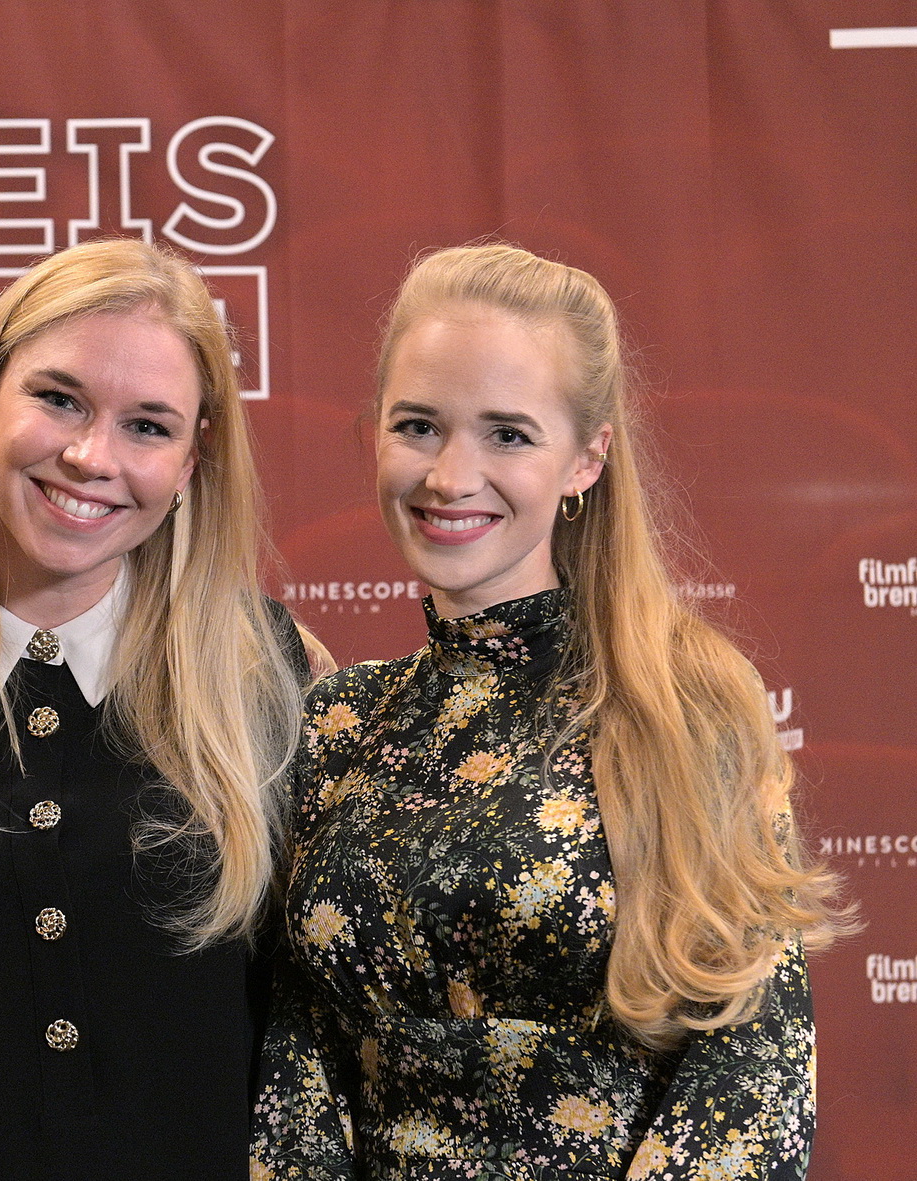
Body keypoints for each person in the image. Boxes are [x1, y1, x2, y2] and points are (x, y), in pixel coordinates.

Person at [251, 244, 850, 1180]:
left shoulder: (686, 706)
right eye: (419, 425)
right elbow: (301, 1059)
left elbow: (749, 1073)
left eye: (508, 435)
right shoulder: (338, 720)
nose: (450, 475)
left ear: (587, 458)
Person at [0, 238, 325, 1180]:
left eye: (148, 426)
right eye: (59, 399)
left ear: (192, 461)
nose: (90, 457)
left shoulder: (260, 664)